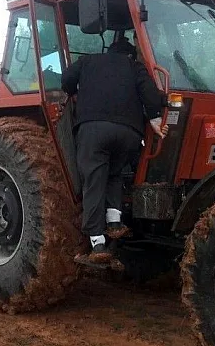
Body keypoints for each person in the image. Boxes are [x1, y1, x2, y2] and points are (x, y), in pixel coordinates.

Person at [61, 36, 168, 264]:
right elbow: (149, 93)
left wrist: (75, 90)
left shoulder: (89, 62)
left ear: (109, 51)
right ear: (130, 55)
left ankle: (97, 242)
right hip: (129, 133)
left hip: (94, 131)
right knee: (114, 173)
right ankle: (114, 222)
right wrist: (156, 120)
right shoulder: (134, 66)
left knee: (93, 180)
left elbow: (67, 80)